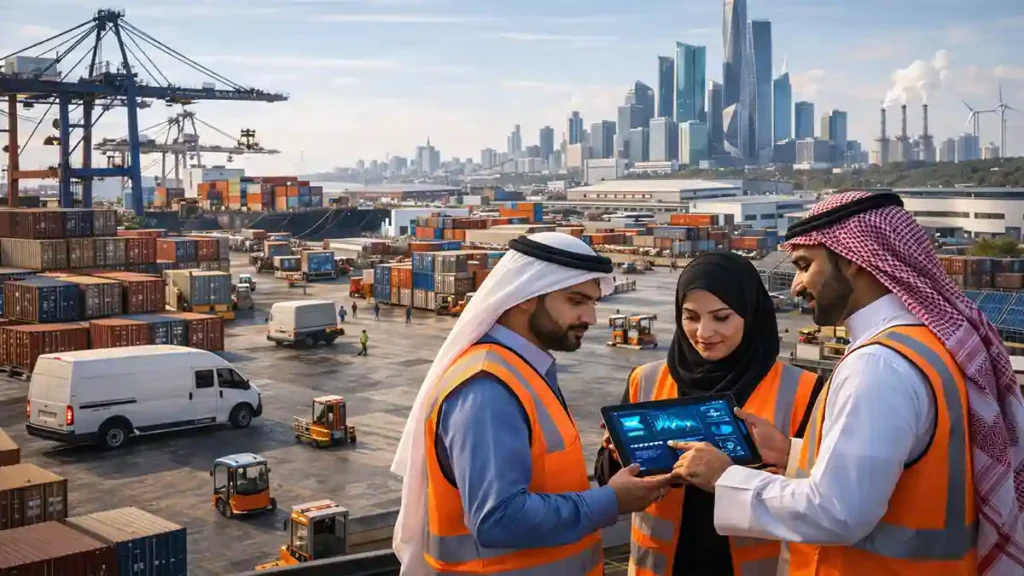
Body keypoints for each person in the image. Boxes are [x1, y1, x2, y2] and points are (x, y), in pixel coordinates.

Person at [668, 191, 1024, 575]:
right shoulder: (928, 346)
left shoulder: (880, 364)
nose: (797, 286)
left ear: (853, 261)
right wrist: (791, 453)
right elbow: (903, 465)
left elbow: (839, 512)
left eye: (806, 266)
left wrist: (725, 479)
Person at [392, 232, 674, 576]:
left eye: (592, 304)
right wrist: (612, 500)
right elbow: (498, 519)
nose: (591, 318)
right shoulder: (488, 388)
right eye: (575, 301)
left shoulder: (521, 371)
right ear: (526, 296)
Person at [594, 252, 822, 576]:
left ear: (750, 314)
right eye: (690, 316)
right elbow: (608, 478)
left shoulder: (803, 390)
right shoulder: (645, 379)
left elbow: (827, 495)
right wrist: (616, 457)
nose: (703, 332)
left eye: (721, 317)